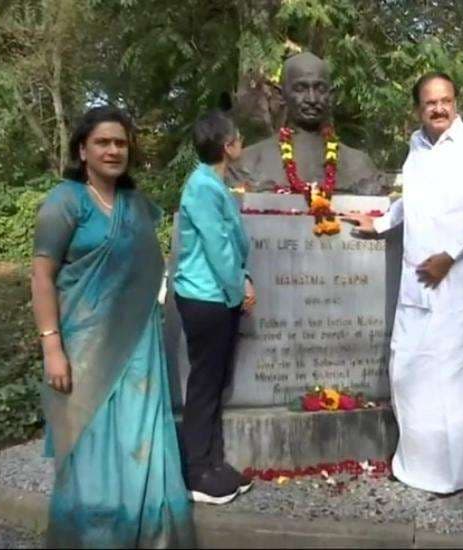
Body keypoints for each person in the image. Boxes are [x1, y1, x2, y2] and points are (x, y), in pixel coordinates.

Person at [31, 106, 194, 548]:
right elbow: (42, 275)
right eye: (102, 142)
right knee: (94, 446)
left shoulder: (136, 205)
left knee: (140, 441)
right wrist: (52, 348)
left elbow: (146, 274)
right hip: (84, 348)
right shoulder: (66, 201)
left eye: (120, 142)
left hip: (139, 348)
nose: (113, 150)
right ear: (82, 150)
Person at [343, 72, 463, 494]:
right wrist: (379, 223)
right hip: (416, 284)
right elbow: (413, 206)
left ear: (456, 101)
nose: (438, 108)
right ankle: (418, 464)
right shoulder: (416, 149)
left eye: (445, 100)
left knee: (454, 385)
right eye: (430, 102)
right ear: (418, 108)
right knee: (411, 371)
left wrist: (449, 256)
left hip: (457, 288)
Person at [174, 111, 256, 505]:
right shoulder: (203, 187)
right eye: (238, 137)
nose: (241, 143)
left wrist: (244, 279)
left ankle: (212, 462)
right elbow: (217, 247)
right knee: (205, 384)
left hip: (218, 294)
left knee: (216, 381)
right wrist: (239, 289)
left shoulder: (215, 183)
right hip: (205, 297)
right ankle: (196, 472)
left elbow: (230, 244)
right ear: (227, 146)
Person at [228, 52, 386, 195]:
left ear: (330, 96)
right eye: (300, 88)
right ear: (281, 94)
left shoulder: (359, 166)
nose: (311, 99)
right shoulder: (249, 163)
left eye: (320, 88)